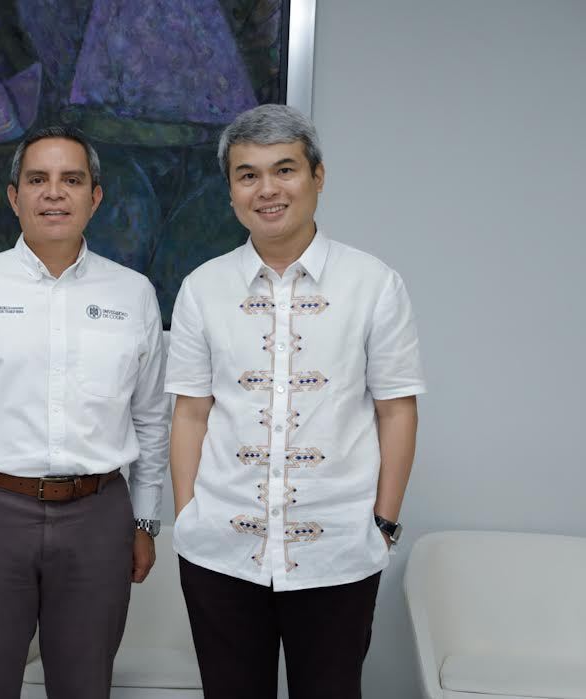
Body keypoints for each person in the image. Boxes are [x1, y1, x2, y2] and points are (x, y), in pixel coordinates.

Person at [0, 126, 168, 699]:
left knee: (86, 686)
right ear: (13, 196)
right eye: (38, 179)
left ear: (95, 196)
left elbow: (151, 418)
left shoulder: (134, 294)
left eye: (72, 179)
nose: (54, 193)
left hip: (98, 516)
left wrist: (145, 521)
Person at [165, 104, 426, 698]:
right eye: (247, 175)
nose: (267, 190)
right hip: (222, 550)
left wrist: (383, 524)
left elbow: (396, 409)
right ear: (231, 189)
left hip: (337, 547)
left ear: (317, 176)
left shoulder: (373, 284)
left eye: (284, 170)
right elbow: (191, 412)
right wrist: (189, 516)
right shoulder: (203, 288)